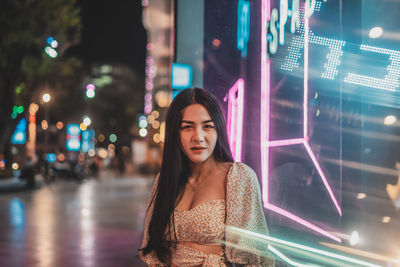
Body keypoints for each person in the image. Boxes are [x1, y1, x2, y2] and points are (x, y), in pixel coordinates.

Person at [139, 88, 274, 266]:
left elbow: (255, 259)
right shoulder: (165, 181)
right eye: (187, 127)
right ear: (175, 133)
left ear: (218, 130)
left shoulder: (238, 178)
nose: (198, 137)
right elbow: (153, 251)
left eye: (208, 126)